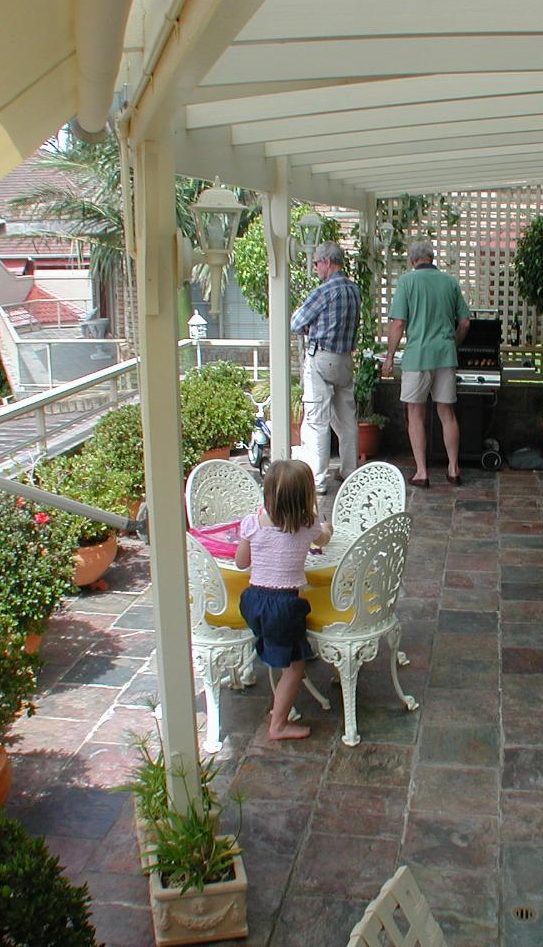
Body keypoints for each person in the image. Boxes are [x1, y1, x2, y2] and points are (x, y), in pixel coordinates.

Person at [234, 459, 332, 740]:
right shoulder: (308, 525)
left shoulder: (252, 523)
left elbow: (241, 563)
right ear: (305, 498)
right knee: (295, 666)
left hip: (253, 601)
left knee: (282, 649)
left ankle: (276, 700)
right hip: (284, 606)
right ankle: (278, 724)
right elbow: (323, 540)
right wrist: (328, 528)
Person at [381, 238, 470, 487]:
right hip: (445, 355)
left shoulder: (408, 282)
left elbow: (398, 323)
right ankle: (453, 469)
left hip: (417, 356)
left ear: (413, 261)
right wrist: (453, 344)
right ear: (432, 258)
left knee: (416, 414)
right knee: (447, 413)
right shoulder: (450, 283)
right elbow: (465, 322)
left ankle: (422, 472)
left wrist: (389, 356)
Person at [291, 240, 360, 495]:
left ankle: (318, 480)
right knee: (347, 418)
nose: (316, 268)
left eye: (317, 263)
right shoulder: (354, 290)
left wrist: (311, 327)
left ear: (327, 262)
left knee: (317, 420)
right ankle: (350, 471)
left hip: (321, 359)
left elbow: (296, 322)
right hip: (345, 360)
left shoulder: (323, 292)